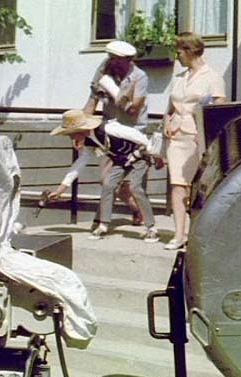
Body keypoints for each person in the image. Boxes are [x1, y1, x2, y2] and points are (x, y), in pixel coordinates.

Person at [82, 40, 160, 241]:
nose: (112, 62)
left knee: (133, 186)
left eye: (117, 59)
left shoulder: (139, 77)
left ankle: (148, 224)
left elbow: (133, 109)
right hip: (112, 136)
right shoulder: (103, 72)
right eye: (111, 58)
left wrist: (112, 89)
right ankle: (104, 222)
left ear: (128, 60)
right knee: (106, 182)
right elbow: (91, 102)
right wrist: (80, 130)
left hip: (134, 136)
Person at [162, 31, 226, 250]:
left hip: (197, 138)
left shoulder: (212, 77)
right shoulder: (179, 77)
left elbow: (218, 108)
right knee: (177, 184)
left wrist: (205, 132)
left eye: (179, 51)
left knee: (196, 187)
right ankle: (179, 234)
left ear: (189, 51)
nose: (177, 56)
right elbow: (170, 107)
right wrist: (166, 122)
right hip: (176, 137)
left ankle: (197, 234)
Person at [50, 109, 155, 240]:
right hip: (121, 161)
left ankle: (151, 227)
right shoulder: (89, 141)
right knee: (108, 185)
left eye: (71, 134)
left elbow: (140, 138)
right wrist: (62, 188)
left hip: (140, 156)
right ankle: (103, 224)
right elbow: (80, 163)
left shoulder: (109, 129)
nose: (71, 138)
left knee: (135, 187)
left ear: (80, 130)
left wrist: (154, 155)